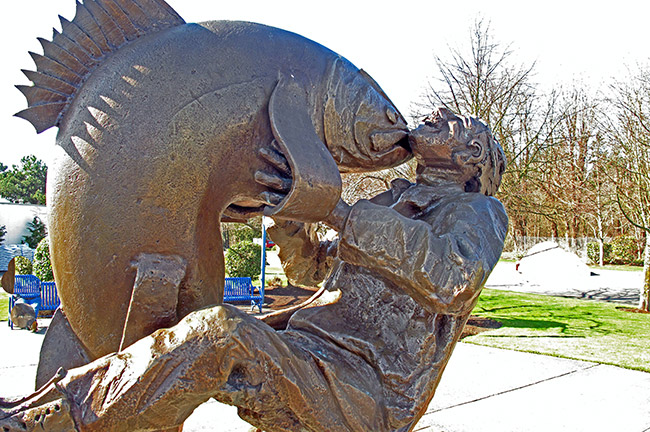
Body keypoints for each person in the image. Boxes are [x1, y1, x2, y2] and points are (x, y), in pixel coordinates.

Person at [0, 108, 508, 432]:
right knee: (176, 329)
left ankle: (55, 419)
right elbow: (313, 267)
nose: (439, 112)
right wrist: (287, 209)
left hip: (364, 390)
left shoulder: (478, 212)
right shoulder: (394, 202)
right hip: (312, 359)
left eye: (456, 123)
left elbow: (451, 275)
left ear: (472, 155)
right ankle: (52, 405)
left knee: (219, 334)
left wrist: (339, 211)